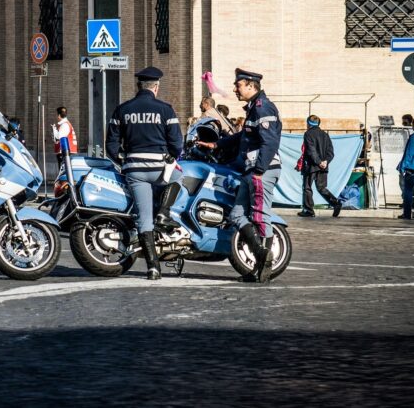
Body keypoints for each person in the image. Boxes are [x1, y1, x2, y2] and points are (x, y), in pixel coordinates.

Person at [195, 69, 282, 283]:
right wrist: (216, 144)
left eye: (239, 85)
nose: (235, 89)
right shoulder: (253, 109)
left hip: (262, 170)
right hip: (250, 170)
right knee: (236, 215)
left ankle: (264, 266)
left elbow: (269, 142)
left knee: (260, 216)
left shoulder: (263, 108)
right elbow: (242, 137)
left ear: (251, 86)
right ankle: (260, 258)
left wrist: (260, 171)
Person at [106, 66, 183, 281]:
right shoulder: (166, 110)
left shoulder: (122, 110)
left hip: (134, 170)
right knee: (179, 177)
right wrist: (173, 155)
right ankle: (164, 212)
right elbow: (177, 143)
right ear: (156, 87)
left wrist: (122, 159)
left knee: (143, 218)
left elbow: (111, 144)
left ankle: (153, 267)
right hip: (160, 169)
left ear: (139, 86)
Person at [298, 115, 343, 217]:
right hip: (323, 166)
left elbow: (311, 150)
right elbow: (330, 152)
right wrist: (325, 161)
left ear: (308, 123)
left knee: (307, 188)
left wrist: (318, 162)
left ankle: (309, 211)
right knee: (322, 188)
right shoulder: (325, 135)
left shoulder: (308, 134)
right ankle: (336, 203)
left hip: (311, 166)